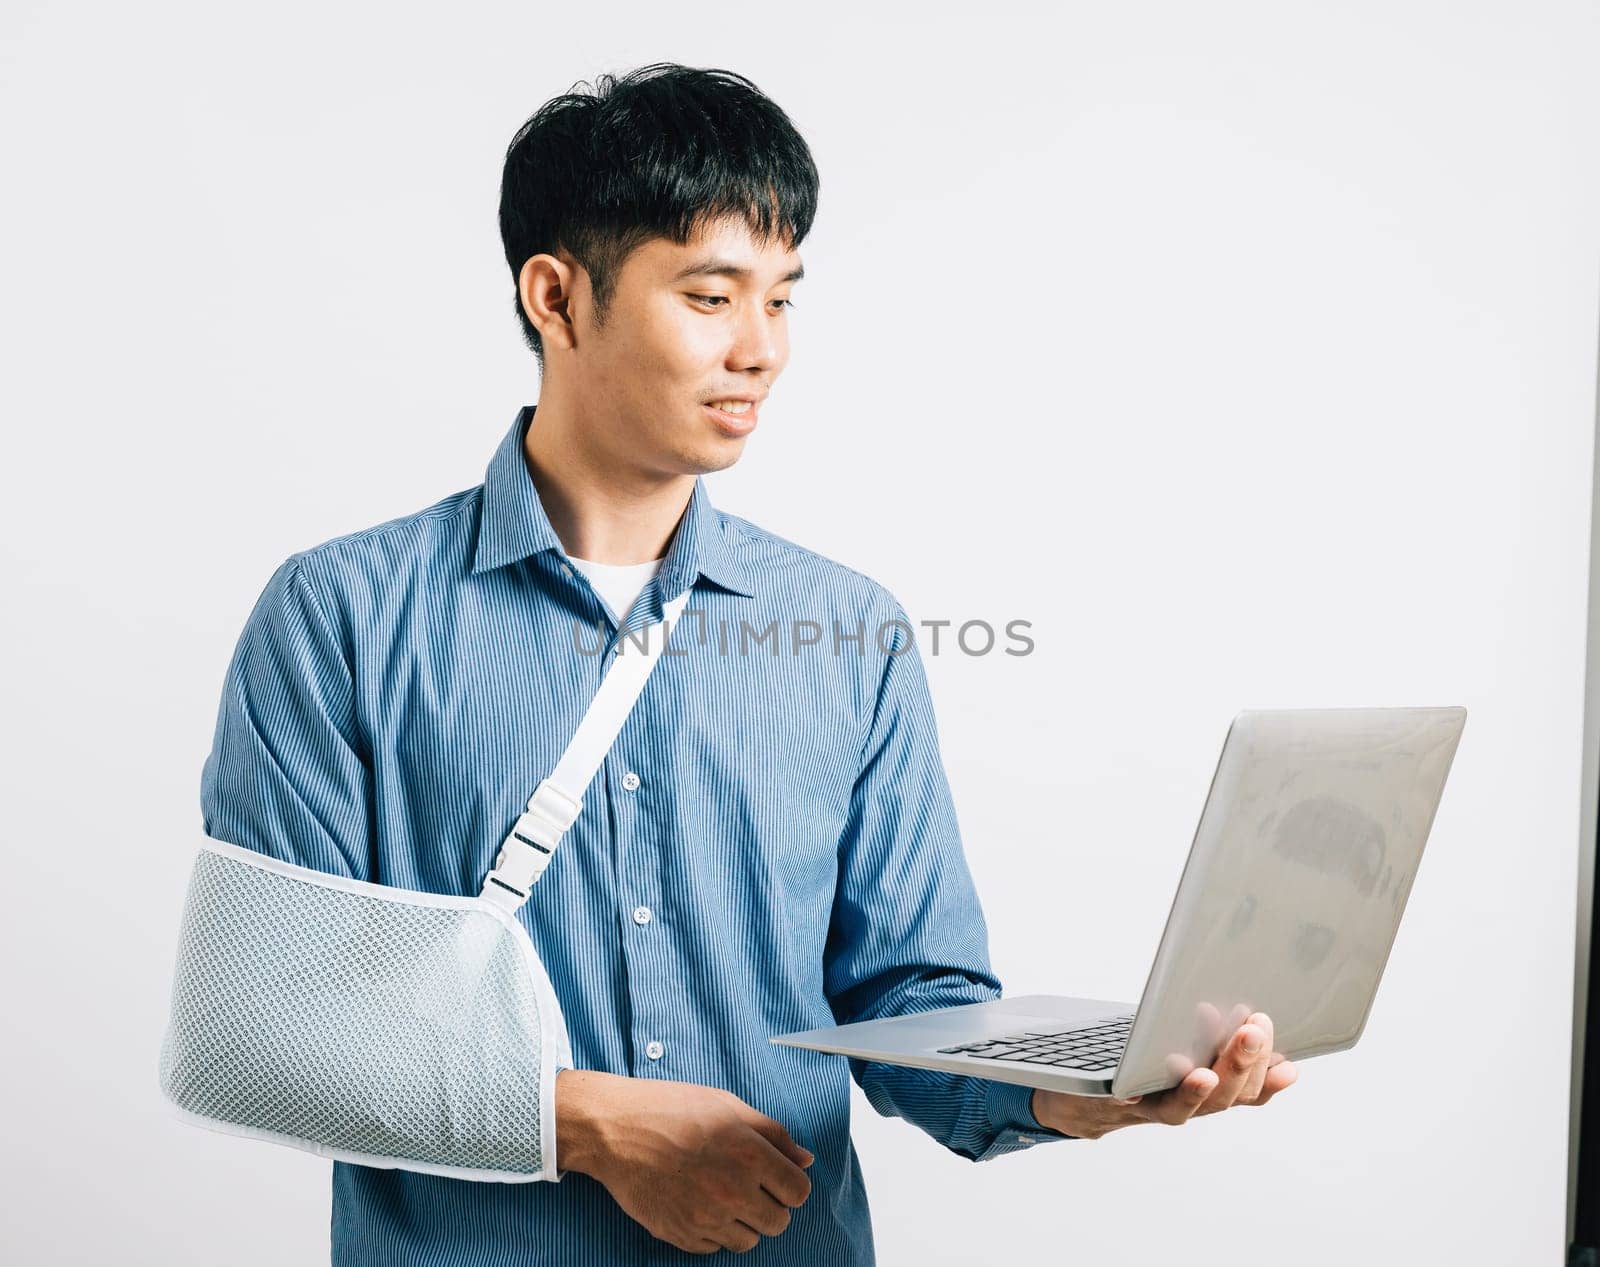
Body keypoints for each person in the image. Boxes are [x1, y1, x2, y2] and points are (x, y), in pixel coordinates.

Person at [199, 62, 1297, 1264]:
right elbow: (263, 1029)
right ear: (557, 299)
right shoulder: (340, 617)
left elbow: (907, 1005)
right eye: (712, 296)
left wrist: (1072, 1090)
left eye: (782, 299)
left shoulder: (850, 629)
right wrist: (591, 1125)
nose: (761, 350)